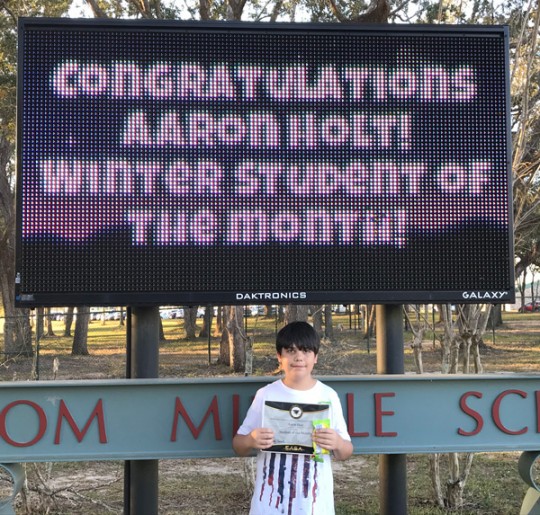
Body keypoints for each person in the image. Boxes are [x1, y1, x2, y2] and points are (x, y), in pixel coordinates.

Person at [232, 321, 353, 514]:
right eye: (290, 350)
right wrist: (251, 439)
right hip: (269, 505)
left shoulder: (328, 396)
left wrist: (337, 443)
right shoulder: (266, 395)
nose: (298, 357)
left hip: (314, 506)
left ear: (316, 357)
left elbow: (346, 451)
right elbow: (239, 445)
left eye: (306, 351)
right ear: (279, 357)